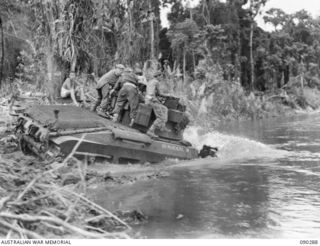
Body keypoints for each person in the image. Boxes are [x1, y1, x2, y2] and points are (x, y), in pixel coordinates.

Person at [145, 70, 169, 138]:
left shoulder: (150, 81)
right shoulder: (156, 82)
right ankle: (150, 131)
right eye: (161, 77)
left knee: (165, 108)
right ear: (158, 76)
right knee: (160, 117)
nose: (161, 78)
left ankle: (162, 125)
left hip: (148, 99)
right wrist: (168, 95)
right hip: (152, 100)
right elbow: (159, 93)